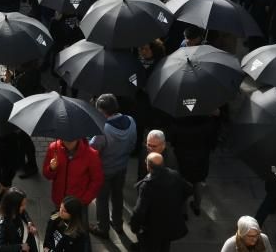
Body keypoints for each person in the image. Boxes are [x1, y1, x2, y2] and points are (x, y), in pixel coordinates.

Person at [89, 93, 136, 238]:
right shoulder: (131, 120)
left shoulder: (103, 129)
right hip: (121, 167)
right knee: (117, 195)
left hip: (104, 170)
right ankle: (117, 223)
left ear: (102, 111)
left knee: (102, 199)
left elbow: (93, 149)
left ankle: (102, 228)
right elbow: (133, 144)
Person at [130, 152, 192, 252]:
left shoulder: (147, 186)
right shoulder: (174, 175)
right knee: (165, 246)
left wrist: (134, 227)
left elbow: (139, 211)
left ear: (149, 167)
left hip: (153, 228)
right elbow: (188, 189)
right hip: (169, 224)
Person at [41, 136, 103, 219]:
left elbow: (97, 180)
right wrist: (51, 169)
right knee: (58, 226)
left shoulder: (91, 154)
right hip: (59, 201)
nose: (67, 141)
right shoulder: (53, 148)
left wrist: (84, 200)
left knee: (79, 228)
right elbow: (47, 175)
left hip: (78, 204)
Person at [0, 187, 39, 252]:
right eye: (22, 205)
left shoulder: (16, 211)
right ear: (13, 206)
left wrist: (29, 222)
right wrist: (20, 247)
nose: (24, 207)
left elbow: (24, 213)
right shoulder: (2, 223)